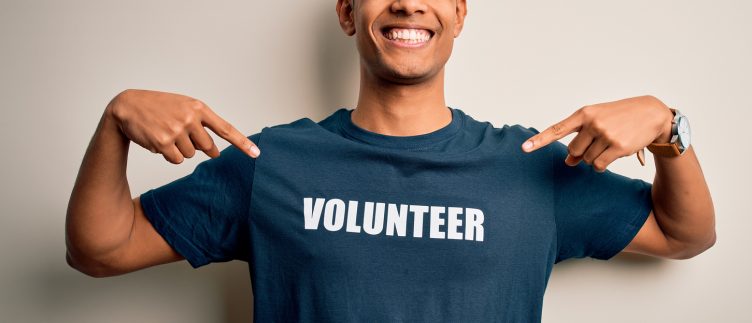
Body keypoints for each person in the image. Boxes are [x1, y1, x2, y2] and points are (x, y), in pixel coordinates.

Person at [65, 0, 716, 322]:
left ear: (459, 13)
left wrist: (668, 128)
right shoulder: (270, 162)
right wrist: (115, 121)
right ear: (348, 13)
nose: (407, 1)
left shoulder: (531, 166)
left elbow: (685, 234)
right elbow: (99, 249)